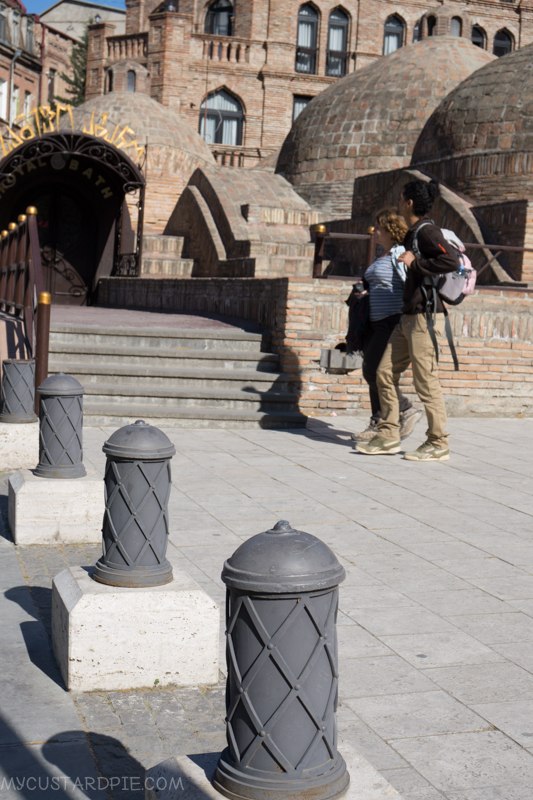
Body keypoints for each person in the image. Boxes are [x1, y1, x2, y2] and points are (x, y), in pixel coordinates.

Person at [356, 179, 459, 462]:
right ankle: (389, 433)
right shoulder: (413, 233)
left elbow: (451, 261)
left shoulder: (426, 231)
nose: (398, 203)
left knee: (426, 382)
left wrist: (416, 264)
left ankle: (438, 443)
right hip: (408, 317)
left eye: (401, 199)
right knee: (384, 373)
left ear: (410, 203)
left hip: (425, 319)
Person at [351, 208, 422, 442]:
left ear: (391, 230)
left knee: (373, 370)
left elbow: (409, 282)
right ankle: (378, 420)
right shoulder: (381, 253)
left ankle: (405, 409)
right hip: (373, 322)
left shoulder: (400, 253)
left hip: (392, 321)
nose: (375, 230)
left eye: (379, 226)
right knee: (374, 372)